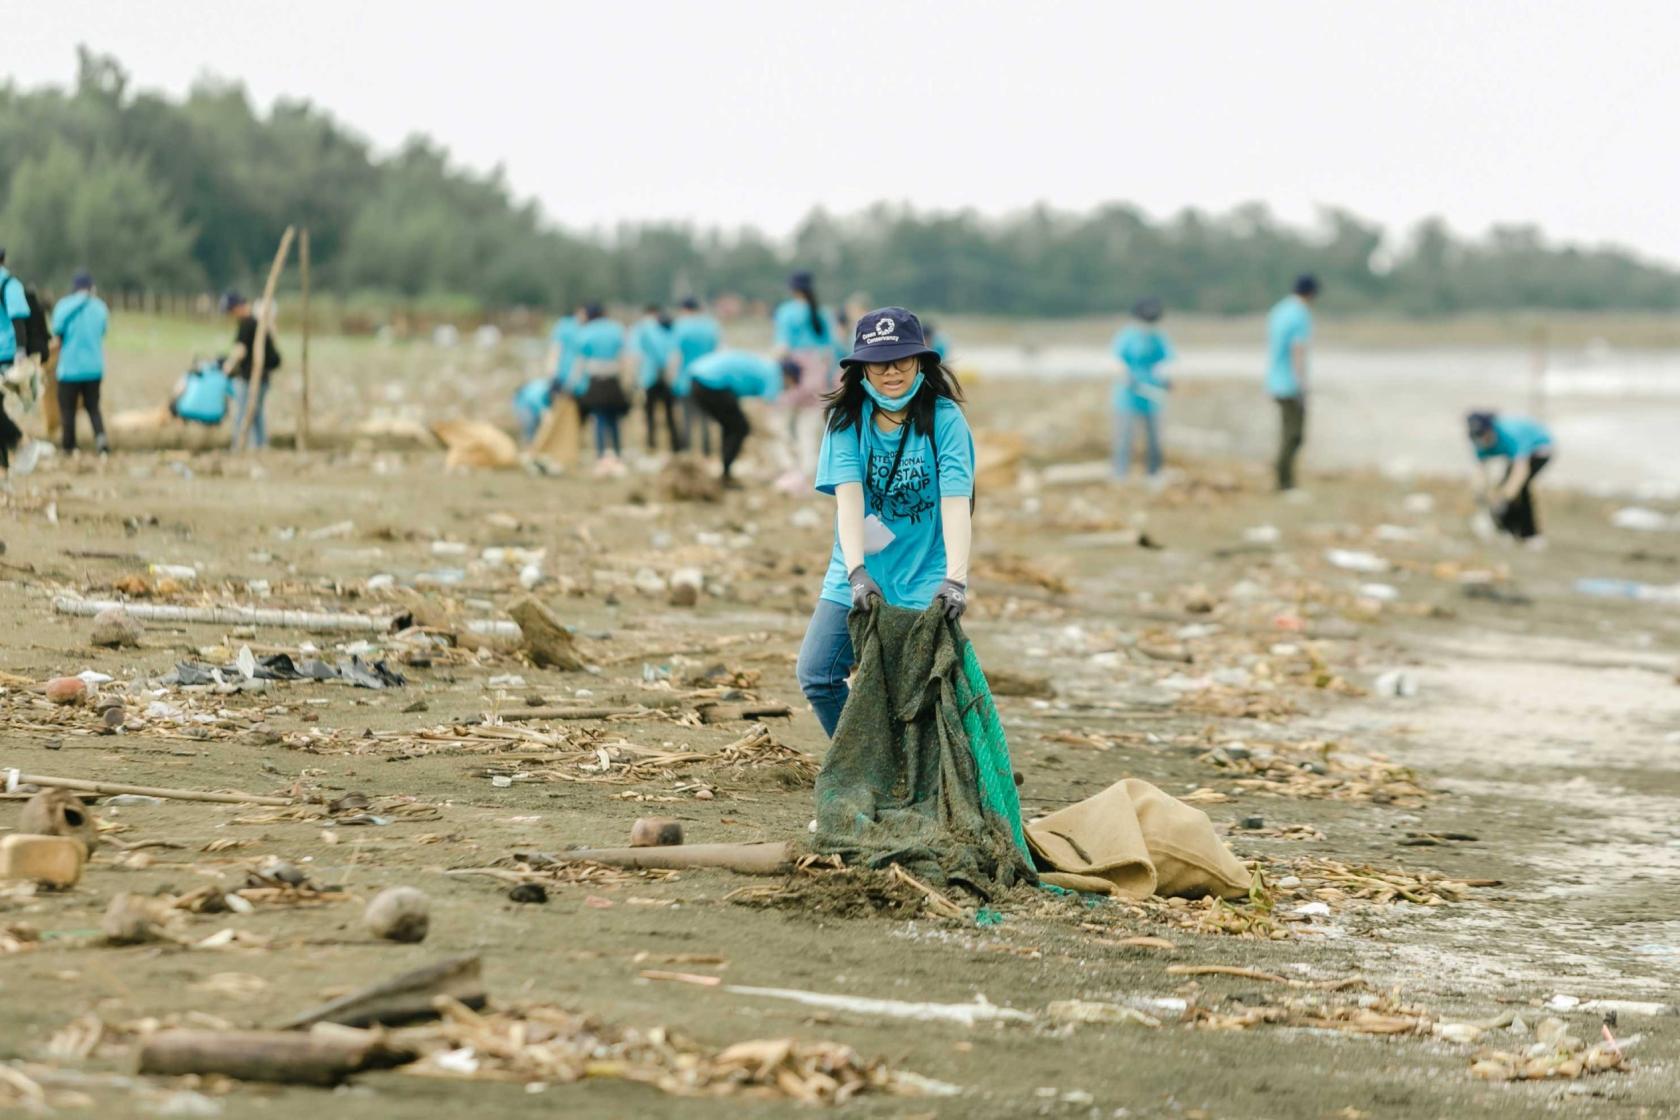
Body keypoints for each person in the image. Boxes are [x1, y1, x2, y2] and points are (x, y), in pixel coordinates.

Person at [795, 307, 975, 737]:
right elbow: (849, 503)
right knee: (817, 674)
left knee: (910, 691)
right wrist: (856, 571)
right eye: (878, 362)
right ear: (862, 368)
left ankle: (910, 770)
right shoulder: (846, 421)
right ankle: (862, 761)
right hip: (857, 567)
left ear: (920, 362)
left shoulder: (944, 418)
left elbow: (955, 502)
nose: (890, 371)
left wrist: (955, 580)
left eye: (901, 359)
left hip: (923, 573)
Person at [682, 350, 795, 487]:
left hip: (699, 377)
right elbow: (763, 412)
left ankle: (725, 472)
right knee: (740, 428)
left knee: (731, 426)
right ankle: (725, 475)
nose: (786, 389)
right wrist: (769, 434)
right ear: (789, 377)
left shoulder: (766, 367)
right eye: (790, 385)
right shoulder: (775, 375)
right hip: (711, 382)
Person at [773, 271, 843, 490]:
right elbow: (833, 349)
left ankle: (788, 469)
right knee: (809, 428)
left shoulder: (786, 312)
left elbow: (782, 347)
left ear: (792, 289)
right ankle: (807, 473)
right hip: (817, 374)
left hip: (794, 374)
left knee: (782, 425)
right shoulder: (823, 313)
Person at [1467, 410, 1554, 545]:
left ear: (1491, 429)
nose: (1482, 440)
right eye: (1477, 436)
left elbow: (1521, 471)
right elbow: (1481, 471)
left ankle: (1531, 535)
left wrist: (1504, 497)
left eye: (1484, 435)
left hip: (1540, 449)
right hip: (1517, 456)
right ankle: (1507, 530)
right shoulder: (1478, 442)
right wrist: (1480, 493)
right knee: (1505, 488)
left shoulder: (1509, 435)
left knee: (1520, 488)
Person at [1265, 274, 1318, 491]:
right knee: (1294, 435)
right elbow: (1298, 350)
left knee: (1287, 432)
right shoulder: (1300, 314)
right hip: (1290, 384)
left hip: (1274, 381)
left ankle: (1283, 477)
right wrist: (1302, 385)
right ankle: (1284, 481)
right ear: (1311, 294)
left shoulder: (1279, 310)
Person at [1111, 297, 1174, 479]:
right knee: (1124, 437)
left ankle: (1153, 474)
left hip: (1152, 396)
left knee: (1154, 439)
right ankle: (1120, 474)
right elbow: (1116, 359)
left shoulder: (1159, 337)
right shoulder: (1127, 336)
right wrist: (1125, 376)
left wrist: (1165, 379)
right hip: (1127, 395)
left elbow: (1167, 361)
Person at [49, 271, 110, 455]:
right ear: (91, 287)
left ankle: (69, 446)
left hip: (69, 369)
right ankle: (101, 442)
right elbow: (103, 331)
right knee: (93, 407)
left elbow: (56, 330)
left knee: (67, 409)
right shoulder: (100, 307)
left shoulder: (64, 306)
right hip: (94, 368)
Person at [571, 304, 630, 474]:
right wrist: (627, 381)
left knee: (599, 418)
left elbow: (580, 362)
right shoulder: (617, 329)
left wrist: (574, 384)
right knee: (614, 420)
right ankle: (618, 455)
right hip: (614, 379)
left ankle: (601, 456)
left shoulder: (586, 332)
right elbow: (624, 357)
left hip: (595, 380)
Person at [220, 290, 281, 449]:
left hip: (251, 378)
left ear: (236, 308)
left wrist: (227, 367)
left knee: (242, 412)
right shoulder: (257, 322)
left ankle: (239, 446)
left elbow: (240, 350)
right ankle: (261, 445)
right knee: (256, 413)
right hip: (264, 378)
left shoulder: (247, 323)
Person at [668, 297, 721, 455]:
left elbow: (675, 357)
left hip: (686, 379)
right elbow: (718, 353)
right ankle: (707, 453)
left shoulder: (680, 327)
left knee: (686, 420)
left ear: (684, 309)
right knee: (706, 419)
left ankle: (687, 454)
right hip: (708, 379)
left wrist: (672, 379)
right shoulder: (711, 326)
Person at [631, 304, 681, 453]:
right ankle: (675, 446)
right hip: (667, 379)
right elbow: (675, 357)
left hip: (650, 377)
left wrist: (635, 378)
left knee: (650, 413)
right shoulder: (671, 332)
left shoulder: (643, 331)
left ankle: (651, 445)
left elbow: (636, 355)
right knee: (670, 414)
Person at [0, 247, 33, 472]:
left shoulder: (9, 285)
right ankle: (4, 466)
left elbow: (18, 319)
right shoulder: (11, 285)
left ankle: (20, 440)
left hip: (6, 354)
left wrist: (20, 352)